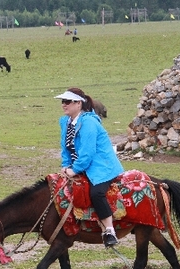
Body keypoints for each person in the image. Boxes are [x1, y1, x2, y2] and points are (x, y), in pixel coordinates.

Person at [54, 87, 124, 248]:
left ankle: (109, 230)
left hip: (101, 167)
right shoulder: (65, 122)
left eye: (67, 101)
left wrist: (74, 170)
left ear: (78, 103)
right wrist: (65, 166)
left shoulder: (89, 123)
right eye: (62, 101)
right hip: (81, 166)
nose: (63, 105)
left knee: (97, 193)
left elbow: (88, 153)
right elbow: (65, 147)